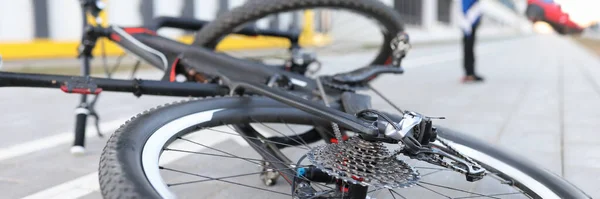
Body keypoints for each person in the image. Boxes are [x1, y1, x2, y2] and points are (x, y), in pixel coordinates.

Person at [460, 0, 485, 83]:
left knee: (469, 47)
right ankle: (469, 73)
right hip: (469, 22)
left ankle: (470, 73)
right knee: (469, 47)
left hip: (469, 21)